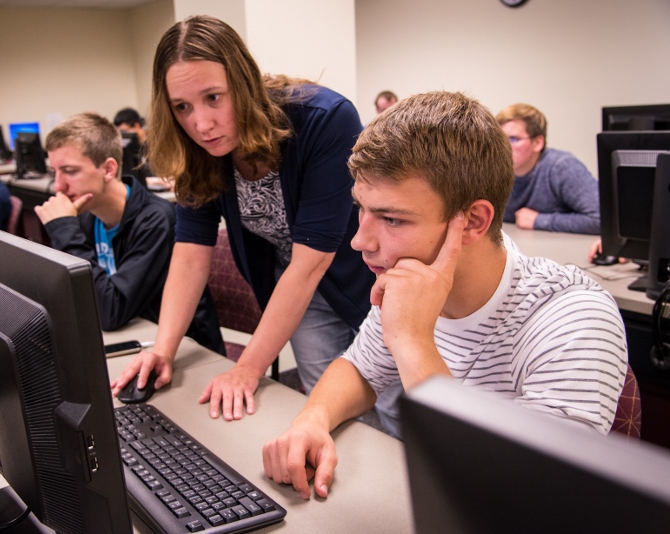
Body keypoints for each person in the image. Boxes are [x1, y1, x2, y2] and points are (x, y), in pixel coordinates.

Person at [262, 91, 628, 501]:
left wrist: (413, 341)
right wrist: (313, 418)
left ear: (472, 221)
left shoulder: (575, 318)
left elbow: (533, 494)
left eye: (393, 218)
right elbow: (359, 370)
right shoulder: (410, 280)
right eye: (361, 209)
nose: (360, 241)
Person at [111, 15, 377, 423]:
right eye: (182, 107)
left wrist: (247, 368)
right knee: (329, 410)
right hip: (298, 287)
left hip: (372, 279)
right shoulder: (198, 150)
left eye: (214, 97)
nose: (201, 124)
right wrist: (163, 349)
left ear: (243, 81)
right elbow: (189, 254)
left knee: (398, 413)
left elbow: (313, 261)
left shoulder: (324, 119)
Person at [34, 112, 225, 354]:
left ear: (108, 169)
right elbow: (69, 299)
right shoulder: (85, 217)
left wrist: (64, 230)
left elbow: (111, 311)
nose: (59, 186)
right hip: (133, 339)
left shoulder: (156, 220)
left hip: (185, 353)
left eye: (70, 171)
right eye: (55, 172)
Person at [496, 103, 600, 234]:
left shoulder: (562, 167)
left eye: (513, 139)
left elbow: (600, 219)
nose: (503, 147)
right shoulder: (493, 170)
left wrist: (539, 220)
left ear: (538, 143)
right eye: (500, 139)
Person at [113, 107, 150, 189]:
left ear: (137, 126)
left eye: (124, 131)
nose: (122, 136)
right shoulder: (126, 150)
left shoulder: (156, 146)